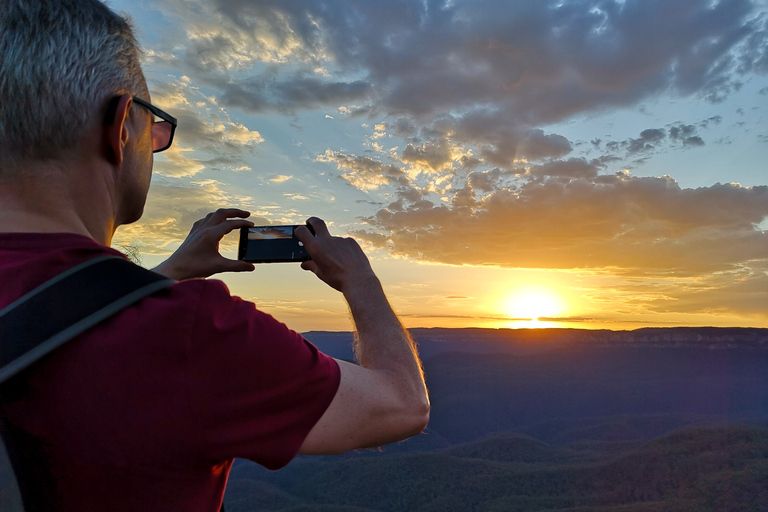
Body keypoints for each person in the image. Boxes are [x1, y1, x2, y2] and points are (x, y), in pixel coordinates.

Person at [0, 0, 430, 510]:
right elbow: (401, 406)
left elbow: (50, 324)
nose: (156, 146)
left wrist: (168, 272)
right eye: (155, 128)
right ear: (120, 128)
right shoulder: (191, 334)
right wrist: (360, 279)